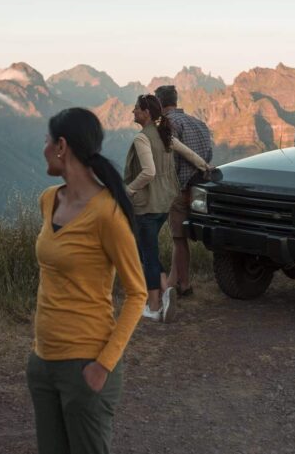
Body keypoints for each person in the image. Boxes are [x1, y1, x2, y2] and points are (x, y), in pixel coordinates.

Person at [28, 107, 148, 454]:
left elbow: (137, 294)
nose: (44, 147)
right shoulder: (48, 200)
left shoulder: (107, 213)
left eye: (47, 140)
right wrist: (38, 360)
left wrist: (103, 366)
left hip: (86, 366)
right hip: (43, 363)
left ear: (62, 146)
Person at [124, 94, 210, 323]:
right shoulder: (165, 135)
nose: (133, 112)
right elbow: (189, 154)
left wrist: (128, 190)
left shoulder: (142, 138)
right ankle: (165, 290)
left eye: (135, 108)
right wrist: (205, 166)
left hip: (146, 205)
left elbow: (148, 172)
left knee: (147, 255)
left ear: (145, 113)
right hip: (164, 203)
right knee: (146, 251)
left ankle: (153, 306)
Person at [155, 84, 213, 297]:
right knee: (181, 238)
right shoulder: (199, 123)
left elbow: (171, 161)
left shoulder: (168, 124)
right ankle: (174, 281)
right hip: (199, 189)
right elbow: (208, 155)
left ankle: (185, 284)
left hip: (180, 188)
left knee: (179, 239)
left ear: (160, 103)